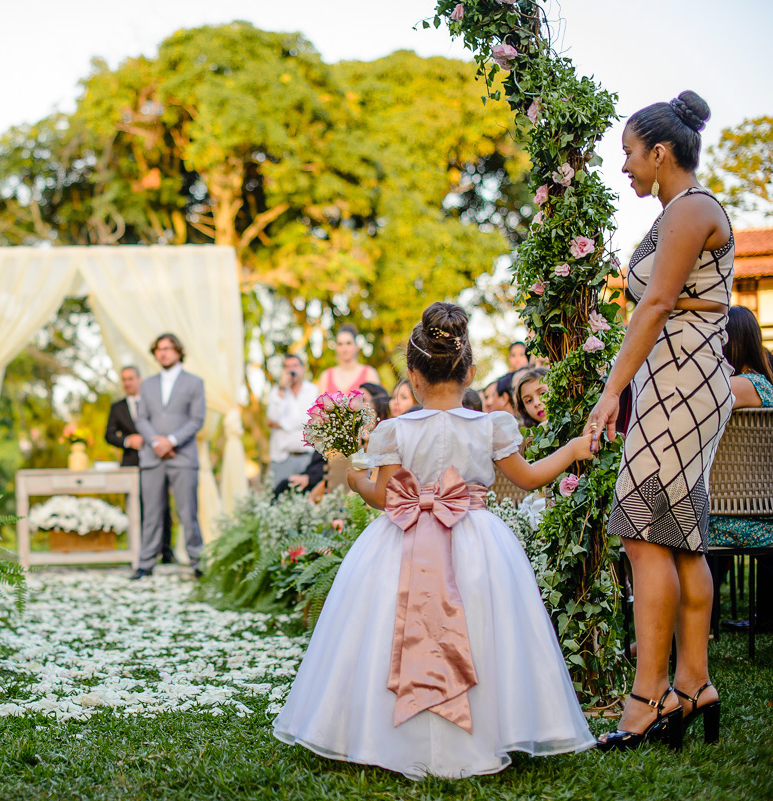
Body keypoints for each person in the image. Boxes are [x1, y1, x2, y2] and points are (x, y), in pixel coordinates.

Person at [273, 302, 595, 779]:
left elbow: (384, 498)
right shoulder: (491, 426)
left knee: (389, 625)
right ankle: (483, 732)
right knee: (484, 629)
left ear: (412, 375)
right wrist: (573, 449)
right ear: (470, 372)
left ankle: (385, 733)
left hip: (400, 538)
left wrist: (353, 477)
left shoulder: (391, 430)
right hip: (476, 541)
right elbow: (527, 479)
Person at [584, 91, 730, 749]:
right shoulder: (680, 211)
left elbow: (658, 303)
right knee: (677, 536)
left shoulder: (692, 209)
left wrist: (610, 391)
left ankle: (646, 700)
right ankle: (692, 684)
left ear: (660, 152)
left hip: (678, 386)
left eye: (629, 154)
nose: (625, 167)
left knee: (643, 534)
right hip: (679, 382)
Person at [708, 306, 773, 629]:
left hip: (732, 517)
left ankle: (692, 625)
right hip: (763, 516)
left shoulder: (738, 387)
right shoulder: (764, 384)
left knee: (680, 529)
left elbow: (695, 401)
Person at [131, 334, 206, 579]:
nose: (162, 353)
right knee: (151, 513)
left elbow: (197, 419)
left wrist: (171, 441)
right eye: (158, 349)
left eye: (167, 348)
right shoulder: (148, 384)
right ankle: (145, 564)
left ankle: (198, 563)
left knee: (188, 512)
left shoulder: (194, 382)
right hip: (152, 457)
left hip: (182, 456)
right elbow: (141, 418)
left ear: (178, 351)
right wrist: (156, 442)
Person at [105, 366, 174, 564]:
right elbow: (109, 435)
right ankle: (140, 550)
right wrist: (128, 441)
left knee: (161, 505)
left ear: (139, 379)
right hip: (131, 463)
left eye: (131, 379)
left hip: (155, 459)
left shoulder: (154, 403)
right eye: (124, 379)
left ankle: (166, 552)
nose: (127, 383)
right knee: (137, 508)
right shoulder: (117, 407)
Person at [266, 353, 318, 485]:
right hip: (281, 458)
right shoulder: (276, 392)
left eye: (294, 365)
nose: (291, 370)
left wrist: (282, 424)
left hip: (307, 456)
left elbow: (310, 420)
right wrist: (282, 389)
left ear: (302, 368)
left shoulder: (313, 391)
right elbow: (272, 417)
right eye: (287, 366)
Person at [318, 323, 380, 393]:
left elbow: (376, 402)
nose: (344, 349)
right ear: (336, 348)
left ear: (356, 346)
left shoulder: (369, 373)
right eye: (340, 344)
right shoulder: (326, 376)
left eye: (348, 343)